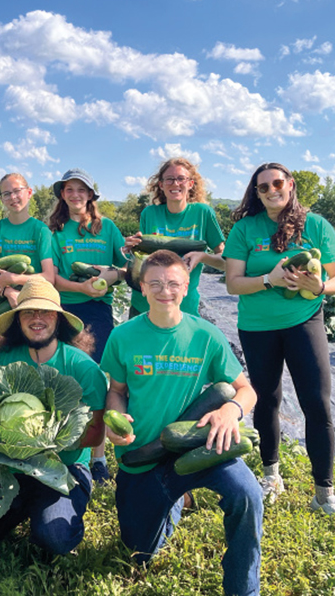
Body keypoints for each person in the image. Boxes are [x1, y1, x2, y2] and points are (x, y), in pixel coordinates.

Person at [103, 250, 262, 596]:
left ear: (187, 286)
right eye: (155, 283)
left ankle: (243, 589)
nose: (165, 291)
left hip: (198, 444)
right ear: (142, 288)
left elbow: (246, 390)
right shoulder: (123, 336)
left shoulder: (205, 335)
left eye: (173, 283)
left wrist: (230, 410)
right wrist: (113, 420)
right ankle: (179, 501)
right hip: (143, 454)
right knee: (138, 550)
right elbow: (116, 391)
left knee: (248, 495)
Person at [0, 278, 107, 565]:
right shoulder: (5, 361)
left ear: (59, 319)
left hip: (64, 470)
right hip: (7, 469)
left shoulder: (83, 368)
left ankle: (46, 512)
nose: (37, 319)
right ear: (17, 319)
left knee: (55, 539)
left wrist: (46, 444)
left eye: (45, 312)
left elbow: (95, 434)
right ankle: (21, 506)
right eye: (28, 312)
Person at [222, 162, 335, 524]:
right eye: (262, 187)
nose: (271, 191)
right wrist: (270, 279)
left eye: (277, 183)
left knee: (317, 402)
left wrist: (321, 287)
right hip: (257, 326)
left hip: (304, 322)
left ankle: (325, 494)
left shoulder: (315, 226)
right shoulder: (245, 228)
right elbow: (233, 282)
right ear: (256, 193)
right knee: (267, 399)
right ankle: (271, 477)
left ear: (290, 184)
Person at [47, 167, 126, 484]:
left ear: (91, 195)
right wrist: (80, 287)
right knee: (64, 379)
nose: (75, 194)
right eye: (69, 189)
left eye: (82, 189)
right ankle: (65, 450)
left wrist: (109, 276)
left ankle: (97, 457)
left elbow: (125, 267)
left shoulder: (106, 228)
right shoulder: (55, 231)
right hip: (64, 308)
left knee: (96, 380)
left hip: (97, 312)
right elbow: (52, 277)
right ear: (62, 195)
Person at [125, 157, 226, 318]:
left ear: (190, 184)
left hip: (184, 307)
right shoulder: (149, 213)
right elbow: (144, 257)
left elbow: (226, 262)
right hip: (145, 305)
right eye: (169, 179)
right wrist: (132, 249)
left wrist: (202, 257)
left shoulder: (203, 213)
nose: (175, 183)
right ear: (161, 185)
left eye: (181, 179)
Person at [0, 173, 56, 357]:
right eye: (6, 194)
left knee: (32, 363)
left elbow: (49, 276)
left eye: (17, 191)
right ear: (1, 199)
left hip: (31, 305)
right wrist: (8, 291)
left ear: (29, 192)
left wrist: (14, 279)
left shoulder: (41, 230)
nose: (13, 197)